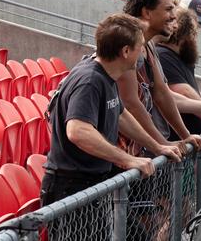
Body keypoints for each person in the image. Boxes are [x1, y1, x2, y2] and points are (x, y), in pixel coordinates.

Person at [41, 14, 182, 206]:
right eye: (140, 47)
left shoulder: (108, 76)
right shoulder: (90, 80)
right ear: (125, 51)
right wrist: (127, 159)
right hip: (71, 188)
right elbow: (78, 131)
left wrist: (157, 146)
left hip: (90, 184)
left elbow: (122, 115)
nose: (143, 52)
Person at [119, 0, 201, 155]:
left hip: (145, 151)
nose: (174, 17)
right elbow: (131, 103)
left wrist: (186, 135)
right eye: (168, 10)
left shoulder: (149, 46)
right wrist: (161, 144)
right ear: (146, 12)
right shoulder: (128, 46)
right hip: (126, 154)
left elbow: (162, 93)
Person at [155, 0, 201, 140]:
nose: (197, 33)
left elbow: (187, 91)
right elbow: (179, 93)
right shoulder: (163, 55)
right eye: (194, 28)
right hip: (175, 143)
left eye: (199, 25)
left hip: (183, 143)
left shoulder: (182, 57)